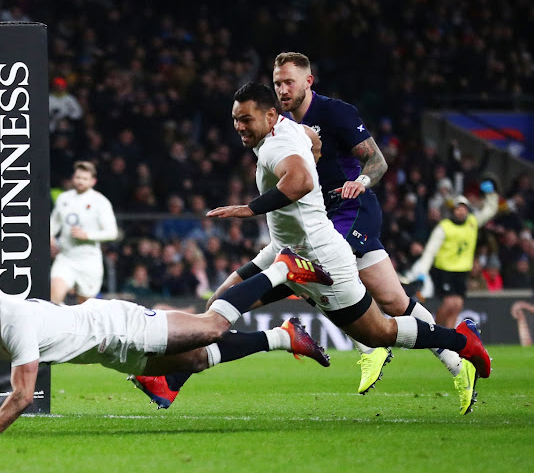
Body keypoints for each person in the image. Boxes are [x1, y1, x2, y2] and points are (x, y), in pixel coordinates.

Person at [131, 82, 490, 415]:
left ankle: (460, 340)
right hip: (285, 250)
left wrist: (248, 209)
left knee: (379, 332)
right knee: (218, 309)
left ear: (270, 116)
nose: (239, 126)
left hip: (318, 257)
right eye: (235, 119)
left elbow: (301, 181)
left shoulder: (276, 145)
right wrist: (312, 156)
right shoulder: (288, 130)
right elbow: (312, 144)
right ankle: (175, 378)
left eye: (246, 119)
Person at [270, 51, 477, 408]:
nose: (283, 89)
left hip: (355, 208)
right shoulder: (285, 126)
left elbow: (377, 160)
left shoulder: (335, 112)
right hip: (326, 216)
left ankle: (368, 346)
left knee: (313, 270)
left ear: (308, 81)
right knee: (395, 302)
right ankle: (459, 363)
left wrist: (361, 181)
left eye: (289, 81)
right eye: (277, 83)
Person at [0, 261, 333, 435]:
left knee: (212, 326)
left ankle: (280, 269)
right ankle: (285, 336)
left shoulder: (15, 321)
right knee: (195, 360)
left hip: (119, 326)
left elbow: (23, 396)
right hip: (111, 353)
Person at [403, 190, 499, 328]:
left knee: (458, 305)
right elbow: (430, 251)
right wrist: (422, 272)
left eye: (463, 209)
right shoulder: (444, 227)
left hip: (462, 270)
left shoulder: (472, 222)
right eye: (458, 209)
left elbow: (490, 210)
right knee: (449, 303)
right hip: (444, 270)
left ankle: (449, 337)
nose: (461, 212)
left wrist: (491, 195)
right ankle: (434, 329)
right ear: (453, 211)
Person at [50, 161, 118, 305]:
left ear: (93, 181)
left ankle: (75, 325)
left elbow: (112, 232)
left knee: (85, 307)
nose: (80, 181)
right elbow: (54, 224)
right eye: (78, 177)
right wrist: (50, 238)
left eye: (85, 178)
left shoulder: (100, 202)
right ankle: (63, 325)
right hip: (66, 257)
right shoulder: (64, 198)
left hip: (89, 260)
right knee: (54, 298)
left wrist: (87, 235)